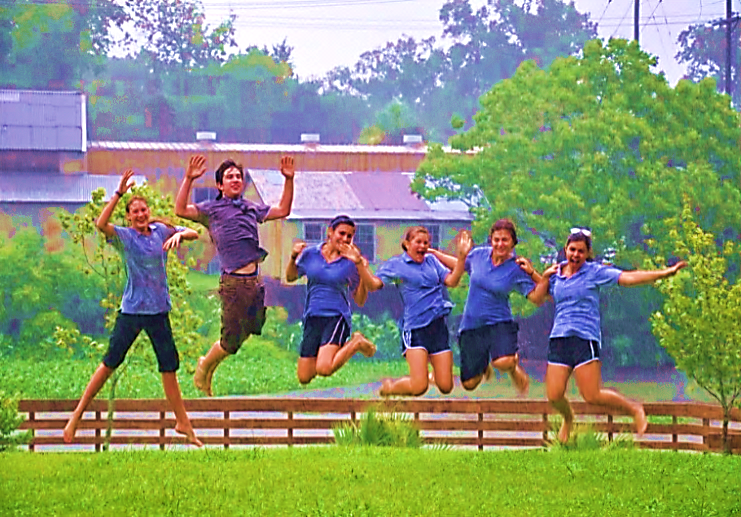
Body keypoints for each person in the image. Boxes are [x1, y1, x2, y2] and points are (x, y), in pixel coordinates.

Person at [63, 169, 202, 447]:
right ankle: (76, 417)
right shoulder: (125, 237)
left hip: (158, 311)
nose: (141, 214)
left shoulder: (160, 230)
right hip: (132, 311)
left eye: (143, 210)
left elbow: (194, 232)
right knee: (110, 363)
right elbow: (101, 224)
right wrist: (117, 194)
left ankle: (183, 423)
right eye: (135, 211)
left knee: (169, 367)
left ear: (149, 211)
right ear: (129, 216)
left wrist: (181, 235)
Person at [529, 227, 687, 443]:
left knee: (592, 395)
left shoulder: (595, 272)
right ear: (565, 249)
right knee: (554, 395)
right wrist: (541, 275)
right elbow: (538, 298)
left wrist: (664, 274)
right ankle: (568, 419)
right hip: (559, 338)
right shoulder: (556, 274)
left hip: (585, 338)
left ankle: (634, 409)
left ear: (587, 254)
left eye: (581, 252)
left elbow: (628, 278)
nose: (575, 255)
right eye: (572, 250)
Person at [175, 154, 294, 396]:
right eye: (229, 177)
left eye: (238, 176)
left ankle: (209, 368)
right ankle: (205, 366)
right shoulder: (212, 209)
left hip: (255, 282)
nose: (235, 180)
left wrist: (288, 180)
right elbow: (180, 210)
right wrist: (188, 178)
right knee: (230, 340)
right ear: (220, 185)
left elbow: (283, 209)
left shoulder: (250, 207)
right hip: (233, 282)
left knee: (247, 333)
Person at [434, 219, 541, 395]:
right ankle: (484, 363)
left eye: (505, 240)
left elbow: (536, 297)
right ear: (490, 240)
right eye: (496, 239)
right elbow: (459, 265)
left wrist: (533, 273)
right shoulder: (478, 255)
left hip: (499, 323)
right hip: (472, 325)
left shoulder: (517, 268)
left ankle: (512, 367)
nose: (500, 244)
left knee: (503, 362)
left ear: (513, 243)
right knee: (469, 384)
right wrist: (434, 253)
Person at [364, 226, 472, 397]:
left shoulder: (432, 261)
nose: (422, 246)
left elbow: (452, 281)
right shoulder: (397, 265)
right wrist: (360, 266)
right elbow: (374, 284)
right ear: (407, 244)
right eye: (418, 242)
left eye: (426, 243)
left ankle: (429, 375)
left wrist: (462, 257)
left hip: (438, 326)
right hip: (415, 328)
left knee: (446, 386)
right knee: (419, 387)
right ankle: (390, 388)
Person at [286, 215, 377, 384]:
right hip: (312, 316)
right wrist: (293, 257)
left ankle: (356, 343)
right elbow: (291, 277)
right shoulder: (311, 254)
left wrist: (362, 269)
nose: (345, 239)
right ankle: (351, 344)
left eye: (349, 236)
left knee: (324, 368)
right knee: (304, 377)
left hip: (336, 316)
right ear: (330, 232)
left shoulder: (351, 263)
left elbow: (360, 300)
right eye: (341, 234)